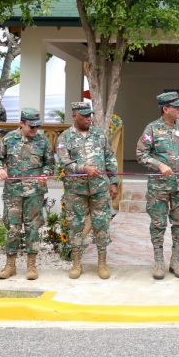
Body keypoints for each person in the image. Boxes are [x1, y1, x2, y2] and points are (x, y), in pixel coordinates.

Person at [136, 92, 179, 280]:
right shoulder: (152, 129)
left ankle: (175, 261)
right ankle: (158, 261)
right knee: (158, 224)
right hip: (159, 187)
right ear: (166, 109)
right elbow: (141, 153)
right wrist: (159, 165)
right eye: (177, 106)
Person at [57, 101, 120, 279]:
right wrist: (83, 169)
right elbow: (64, 162)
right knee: (76, 226)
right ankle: (76, 263)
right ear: (74, 116)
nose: (88, 118)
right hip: (76, 190)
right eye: (84, 115)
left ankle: (102, 263)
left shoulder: (100, 135)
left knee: (101, 225)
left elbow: (110, 158)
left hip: (99, 188)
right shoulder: (65, 137)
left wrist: (114, 182)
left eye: (89, 115)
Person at [0, 108, 55, 280]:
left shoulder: (43, 141)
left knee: (32, 228)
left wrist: (46, 173)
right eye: (31, 127)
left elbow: (50, 164)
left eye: (37, 127)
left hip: (35, 192)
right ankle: (10, 265)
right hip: (13, 191)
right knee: (13, 228)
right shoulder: (8, 139)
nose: (34, 130)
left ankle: (31, 265)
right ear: (21, 124)